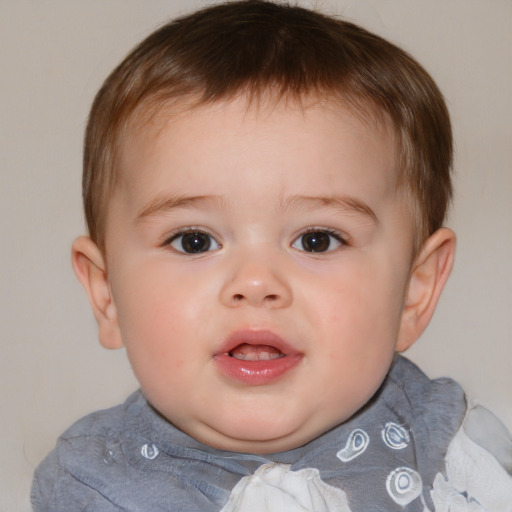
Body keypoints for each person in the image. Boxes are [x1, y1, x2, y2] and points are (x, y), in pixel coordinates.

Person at [31, 1, 512, 510]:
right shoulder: (90, 485)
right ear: (107, 293)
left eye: (317, 240)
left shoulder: (453, 455)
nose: (256, 282)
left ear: (415, 290)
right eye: (194, 240)